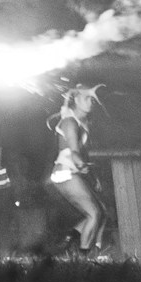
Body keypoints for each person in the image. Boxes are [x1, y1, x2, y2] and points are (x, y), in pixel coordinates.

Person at [44, 80, 105, 255]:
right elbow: (75, 153)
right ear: (76, 100)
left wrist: (93, 176)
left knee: (100, 211)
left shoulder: (79, 122)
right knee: (93, 213)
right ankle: (83, 258)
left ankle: (70, 237)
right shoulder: (70, 122)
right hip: (64, 173)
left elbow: (81, 156)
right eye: (87, 98)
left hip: (70, 173)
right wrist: (81, 165)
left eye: (92, 100)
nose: (91, 102)